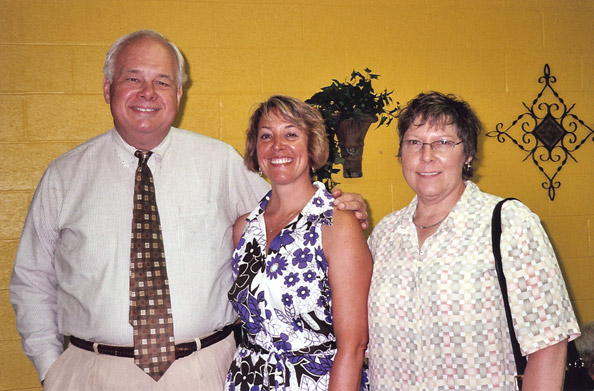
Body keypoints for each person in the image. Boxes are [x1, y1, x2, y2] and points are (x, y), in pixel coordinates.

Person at [9, 30, 368, 391]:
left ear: (178, 94)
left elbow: (288, 207)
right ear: (107, 88)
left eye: (162, 81)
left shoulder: (219, 164)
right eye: (133, 78)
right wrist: (50, 368)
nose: (148, 93)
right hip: (93, 373)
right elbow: (32, 278)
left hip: (202, 370)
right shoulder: (64, 175)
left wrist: (344, 207)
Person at [367, 91, 580, 390]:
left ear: (467, 154)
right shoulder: (384, 235)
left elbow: (549, 346)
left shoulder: (509, 223)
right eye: (414, 142)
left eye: (443, 142)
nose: (426, 156)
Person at [224, 95, 372, 390]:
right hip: (248, 380)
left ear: (311, 144)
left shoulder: (336, 223)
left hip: (316, 381)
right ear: (256, 150)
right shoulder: (244, 228)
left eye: (291, 134)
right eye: (266, 136)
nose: (277, 146)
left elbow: (353, 346)